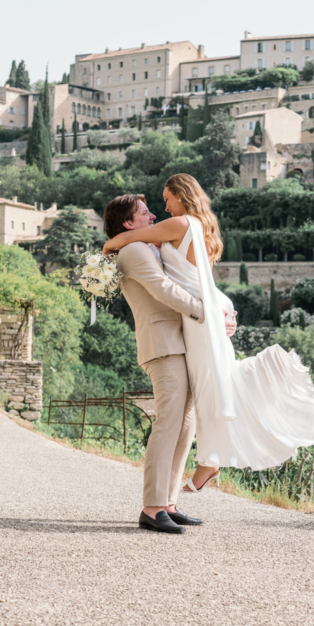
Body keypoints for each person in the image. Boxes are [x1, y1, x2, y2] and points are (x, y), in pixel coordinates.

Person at [103, 174, 314, 495]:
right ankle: (203, 465)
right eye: (152, 206)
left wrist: (106, 247)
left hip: (200, 315)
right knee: (214, 380)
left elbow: (124, 240)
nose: (161, 208)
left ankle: (208, 460)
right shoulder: (192, 226)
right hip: (200, 313)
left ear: (181, 195)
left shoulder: (179, 224)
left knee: (213, 382)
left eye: (166, 199)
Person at [103, 193, 237, 535]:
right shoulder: (133, 251)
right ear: (128, 223)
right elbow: (162, 289)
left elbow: (192, 279)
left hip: (182, 341)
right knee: (168, 422)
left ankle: (169, 502)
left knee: (186, 424)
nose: (153, 216)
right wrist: (206, 314)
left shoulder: (152, 246)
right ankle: (151, 507)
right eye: (145, 213)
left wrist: (224, 313)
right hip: (163, 345)